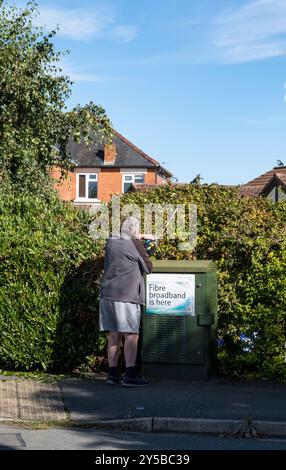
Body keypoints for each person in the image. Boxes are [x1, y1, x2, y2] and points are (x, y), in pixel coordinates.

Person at [99, 216, 153, 387]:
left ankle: (112, 374)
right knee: (131, 334)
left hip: (107, 294)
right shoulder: (135, 245)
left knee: (113, 334)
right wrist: (143, 245)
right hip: (127, 295)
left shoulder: (111, 241)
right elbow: (149, 268)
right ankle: (130, 375)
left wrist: (140, 235)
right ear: (134, 230)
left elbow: (123, 236)